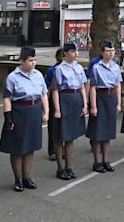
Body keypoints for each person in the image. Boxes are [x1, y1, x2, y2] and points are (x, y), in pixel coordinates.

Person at [0, 46, 49, 192]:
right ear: (22, 61)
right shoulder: (12, 78)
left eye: (34, 60)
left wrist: (46, 112)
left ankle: (26, 176)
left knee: (30, 146)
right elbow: (7, 98)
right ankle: (18, 178)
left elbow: (44, 94)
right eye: (30, 60)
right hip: (19, 111)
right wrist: (8, 117)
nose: (33, 63)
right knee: (17, 147)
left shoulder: (38, 75)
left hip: (34, 110)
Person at [51, 42, 88, 180]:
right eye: (72, 51)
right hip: (64, 98)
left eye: (76, 51)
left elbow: (82, 87)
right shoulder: (60, 69)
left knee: (71, 136)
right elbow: (55, 90)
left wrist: (85, 104)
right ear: (65, 54)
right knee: (61, 135)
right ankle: (60, 168)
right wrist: (57, 109)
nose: (75, 53)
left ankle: (69, 166)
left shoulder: (79, 67)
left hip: (76, 98)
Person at [86, 40, 122, 173]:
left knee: (107, 132)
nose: (111, 53)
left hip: (111, 97)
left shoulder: (116, 67)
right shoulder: (96, 67)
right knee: (97, 132)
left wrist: (118, 103)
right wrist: (93, 106)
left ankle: (106, 160)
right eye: (108, 51)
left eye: (112, 51)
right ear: (102, 52)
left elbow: (118, 86)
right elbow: (93, 88)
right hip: (100, 98)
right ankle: (97, 161)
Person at [45, 47, 64, 161]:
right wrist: (46, 104)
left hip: (65, 99)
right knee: (53, 126)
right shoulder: (52, 70)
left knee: (64, 125)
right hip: (53, 99)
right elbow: (48, 88)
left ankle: (63, 149)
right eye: (61, 56)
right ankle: (52, 150)